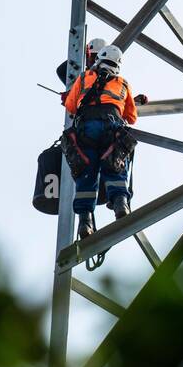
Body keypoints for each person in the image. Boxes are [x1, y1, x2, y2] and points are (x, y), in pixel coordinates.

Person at [63, 44, 138, 239]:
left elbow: (71, 106)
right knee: (115, 165)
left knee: (86, 174)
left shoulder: (84, 78)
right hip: (111, 128)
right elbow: (131, 117)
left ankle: (85, 224)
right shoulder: (122, 83)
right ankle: (121, 204)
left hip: (86, 129)